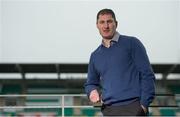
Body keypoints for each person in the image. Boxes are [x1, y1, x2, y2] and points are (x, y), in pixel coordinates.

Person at [84, 8, 155, 116]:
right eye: (102, 22)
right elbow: (90, 83)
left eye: (109, 21)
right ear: (97, 25)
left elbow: (147, 75)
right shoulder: (95, 55)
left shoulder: (132, 43)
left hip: (134, 108)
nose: (106, 26)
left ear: (116, 24)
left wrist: (144, 106)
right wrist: (92, 91)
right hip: (108, 110)